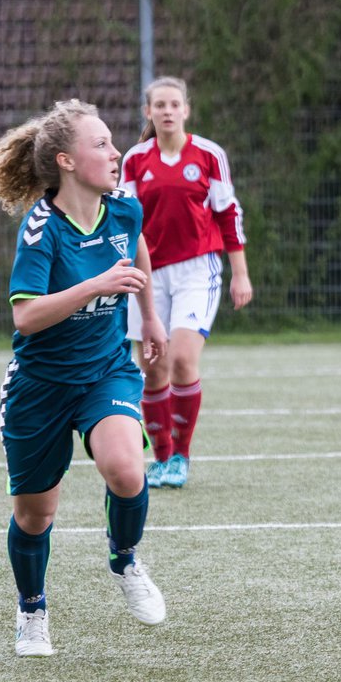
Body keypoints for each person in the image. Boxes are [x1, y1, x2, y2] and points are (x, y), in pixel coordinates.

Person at [0, 99, 170, 657]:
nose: (116, 153)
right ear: (66, 161)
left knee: (127, 468)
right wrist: (97, 286)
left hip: (105, 369)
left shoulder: (124, 209)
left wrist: (149, 315)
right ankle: (32, 609)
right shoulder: (41, 231)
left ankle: (125, 558)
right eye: (102, 144)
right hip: (41, 385)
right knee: (37, 514)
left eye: (113, 142)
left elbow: (137, 251)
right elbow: (26, 316)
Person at [119, 77, 252, 489]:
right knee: (153, 367)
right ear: (149, 113)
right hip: (148, 273)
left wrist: (240, 273)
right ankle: (160, 460)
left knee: (180, 360)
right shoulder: (135, 160)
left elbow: (228, 214)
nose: (167, 111)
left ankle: (182, 456)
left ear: (186, 110)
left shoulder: (209, 155)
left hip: (198, 269)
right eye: (159, 105)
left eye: (174, 104)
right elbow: (124, 222)